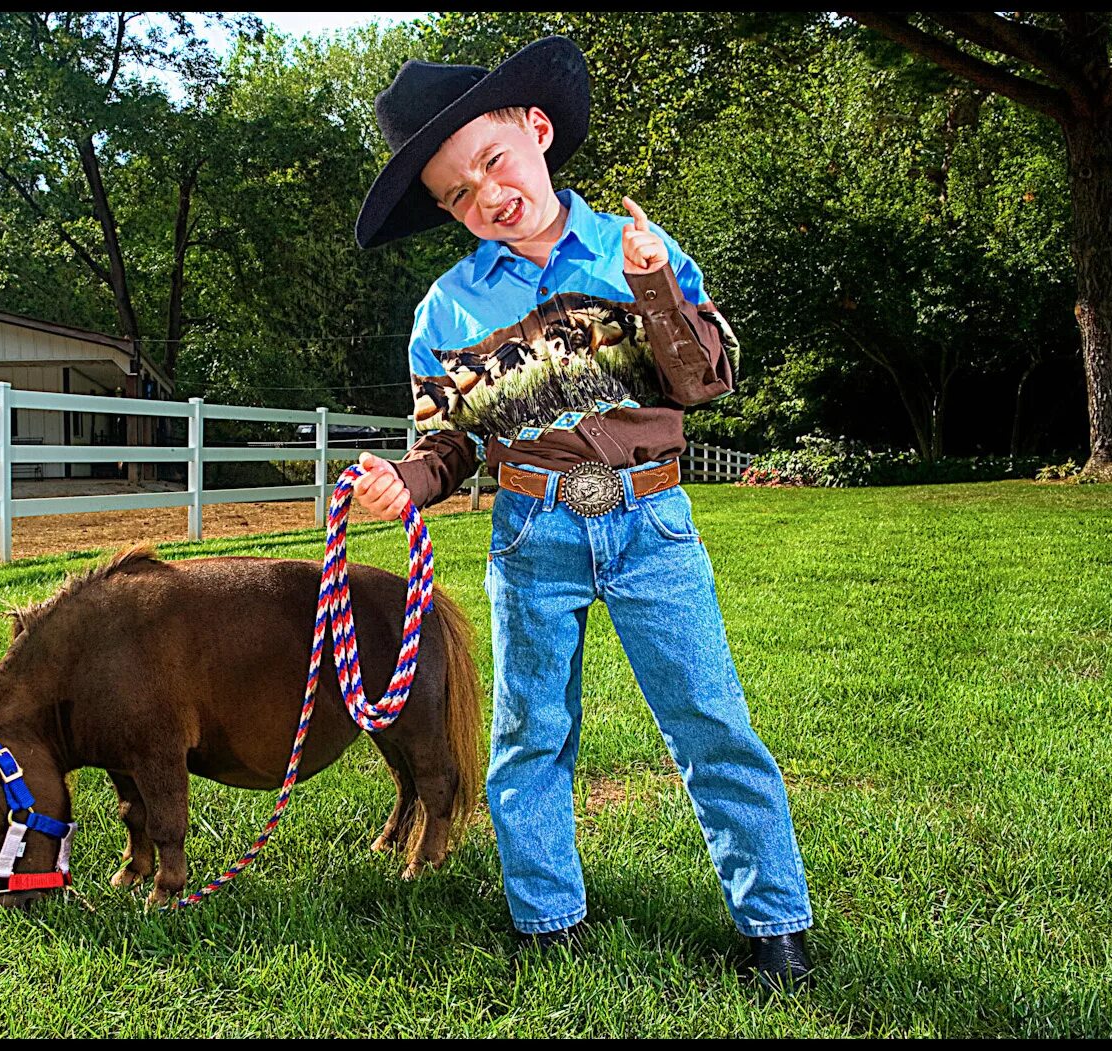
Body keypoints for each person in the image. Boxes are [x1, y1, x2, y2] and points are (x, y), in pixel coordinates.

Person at [351, 36, 814, 990]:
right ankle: (546, 915)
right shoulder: (447, 313)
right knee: (532, 731)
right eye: (457, 194)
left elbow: (705, 380)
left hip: (653, 523)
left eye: (493, 161)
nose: (487, 195)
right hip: (532, 532)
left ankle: (775, 923)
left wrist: (652, 284)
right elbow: (451, 443)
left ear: (537, 129)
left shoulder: (632, 247)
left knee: (709, 719)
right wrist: (408, 479)